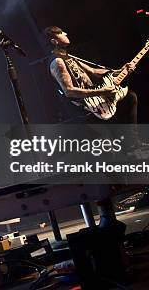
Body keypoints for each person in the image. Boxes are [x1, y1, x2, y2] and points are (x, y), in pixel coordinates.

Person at [44, 26, 137, 226]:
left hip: (97, 103)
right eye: (62, 33)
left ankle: (132, 143)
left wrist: (120, 70)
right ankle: (112, 198)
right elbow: (69, 91)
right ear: (53, 40)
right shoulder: (57, 62)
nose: (67, 34)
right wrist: (100, 91)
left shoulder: (71, 58)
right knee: (105, 150)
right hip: (83, 113)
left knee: (129, 97)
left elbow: (94, 71)